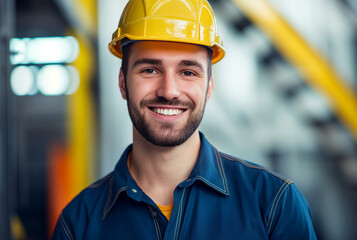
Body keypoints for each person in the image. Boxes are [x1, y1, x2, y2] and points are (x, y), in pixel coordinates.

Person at [52, 0, 317, 239]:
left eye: (188, 72)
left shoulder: (274, 204)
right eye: (149, 70)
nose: (168, 91)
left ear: (209, 87)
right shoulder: (78, 223)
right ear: (123, 83)